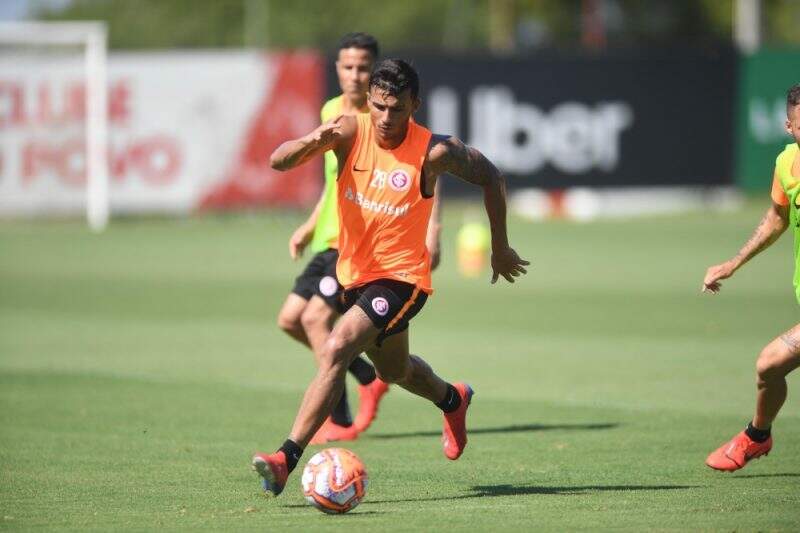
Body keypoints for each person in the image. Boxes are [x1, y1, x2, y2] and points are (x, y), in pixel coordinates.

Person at [252, 58, 529, 495]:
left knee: (337, 345)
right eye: (379, 106)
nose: (385, 118)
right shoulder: (348, 130)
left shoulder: (435, 151)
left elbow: (491, 176)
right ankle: (452, 399)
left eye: (396, 108)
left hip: (404, 278)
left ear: (414, 105)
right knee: (395, 370)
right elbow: (277, 161)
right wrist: (310, 142)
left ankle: (285, 459)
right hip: (355, 277)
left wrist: (500, 247)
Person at [276, 33, 443, 444]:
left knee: (318, 322)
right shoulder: (334, 112)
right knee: (290, 320)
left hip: (364, 252)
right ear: (338, 70)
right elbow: (333, 180)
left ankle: (338, 417)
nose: (354, 75)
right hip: (335, 239)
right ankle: (369, 378)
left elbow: (423, 180)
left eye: (363, 67)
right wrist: (312, 223)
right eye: (347, 67)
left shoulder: (396, 121)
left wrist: (434, 231)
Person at [704, 83, 800, 472]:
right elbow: (777, 219)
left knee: (769, 362)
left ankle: (755, 436)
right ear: (789, 127)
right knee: (769, 367)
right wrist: (733, 263)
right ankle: (759, 436)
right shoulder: (786, 163)